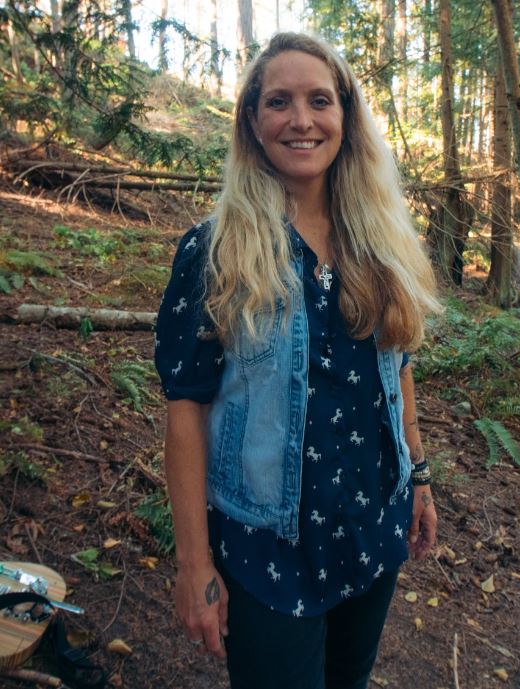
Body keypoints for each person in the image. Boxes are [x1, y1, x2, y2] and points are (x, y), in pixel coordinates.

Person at [155, 32, 440, 689]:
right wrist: (194, 562)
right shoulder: (213, 250)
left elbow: (395, 367)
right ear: (251, 122)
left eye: (319, 100)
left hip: (371, 524)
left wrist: (417, 473)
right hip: (267, 547)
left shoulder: (380, 240)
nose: (301, 119)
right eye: (278, 101)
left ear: (346, 117)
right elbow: (186, 409)